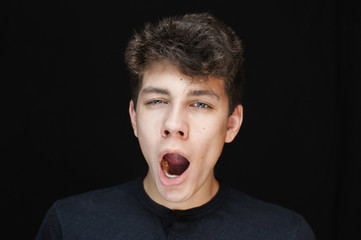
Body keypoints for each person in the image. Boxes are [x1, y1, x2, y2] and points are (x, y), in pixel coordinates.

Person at [35, 12, 316, 239]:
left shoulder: (285, 233)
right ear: (134, 118)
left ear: (231, 125)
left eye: (200, 104)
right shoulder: (69, 225)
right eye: (157, 101)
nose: (173, 124)